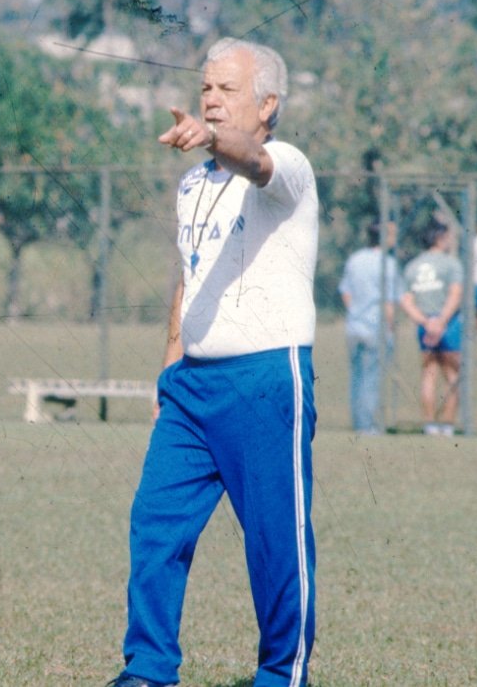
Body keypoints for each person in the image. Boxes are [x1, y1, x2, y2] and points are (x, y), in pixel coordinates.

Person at [110, 37, 318, 687]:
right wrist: (169, 364)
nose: (210, 98)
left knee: (273, 545)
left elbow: (252, 162)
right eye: (206, 87)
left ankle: (283, 675)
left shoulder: (287, 167)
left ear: (268, 104)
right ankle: (147, 671)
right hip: (190, 388)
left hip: (263, 380)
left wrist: (212, 139)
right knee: (155, 524)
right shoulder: (193, 184)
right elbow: (190, 277)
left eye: (227, 89)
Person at [399, 221, 463, 436]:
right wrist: (442, 321)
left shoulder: (412, 266)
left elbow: (407, 300)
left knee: (429, 373)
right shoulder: (451, 264)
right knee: (452, 374)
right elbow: (455, 295)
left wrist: (426, 322)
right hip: (449, 323)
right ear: (439, 238)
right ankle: (447, 423)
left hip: (425, 324)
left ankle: (429, 424)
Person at [338, 220, 402, 435]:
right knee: (371, 378)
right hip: (376, 327)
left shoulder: (355, 259)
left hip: (354, 326)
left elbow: (346, 292)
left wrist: (357, 311)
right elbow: (389, 302)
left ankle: (359, 421)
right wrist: (391, 326)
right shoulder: (388, 263)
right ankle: (367, 427)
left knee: (356, 377)